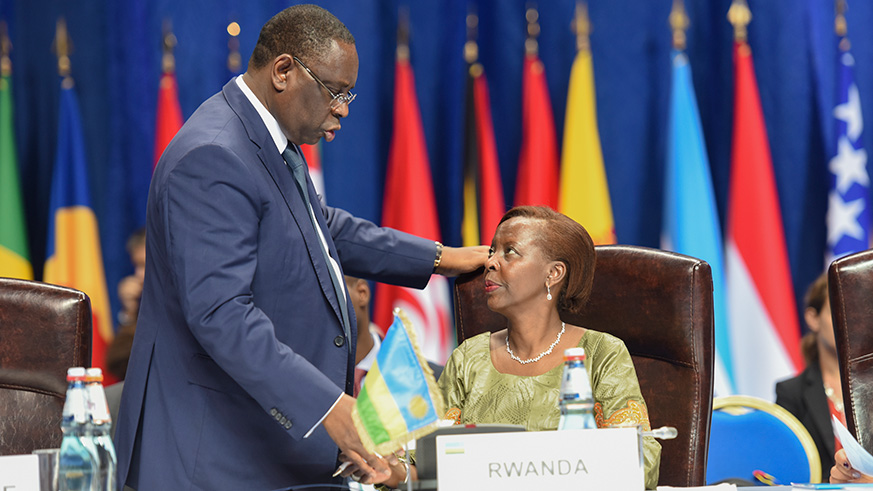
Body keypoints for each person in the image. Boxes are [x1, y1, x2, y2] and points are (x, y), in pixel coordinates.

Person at [113, 5, 487, 489]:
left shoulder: (266, 139)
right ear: (284, 71)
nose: (344, 108)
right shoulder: (215, 155)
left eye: (349, 94)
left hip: (255, 446)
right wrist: (328, 406)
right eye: (335, 92)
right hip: (210, 456)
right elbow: (221, 314)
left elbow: (318, 225)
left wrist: (438, 258)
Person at [342, 206, 661, 489]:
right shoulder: (469, 357)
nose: (490, 262)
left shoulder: (601, 352)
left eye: (510, 252)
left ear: (553, 273)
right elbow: (429, 465)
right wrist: (392, 471)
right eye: (492, 250)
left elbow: (640, 461)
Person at [775, 272, 843, 478]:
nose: (847, 321)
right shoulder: (791, 392)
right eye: (838, 311)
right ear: (813, 319)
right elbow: (786, 467)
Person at [105, 227, 146, 380]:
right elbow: (118, 363)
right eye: (136, 265)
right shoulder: (140, 305)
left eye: (144, 264)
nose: (138, 275)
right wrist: (129, 311)